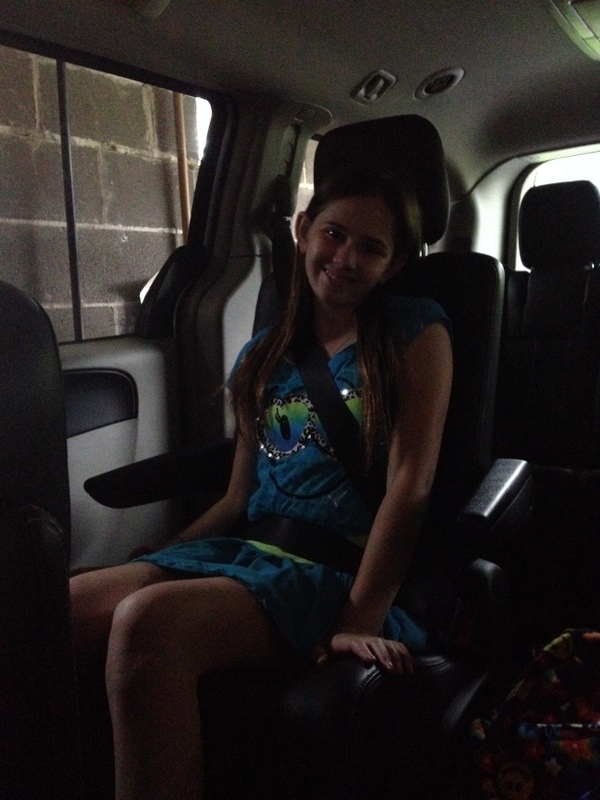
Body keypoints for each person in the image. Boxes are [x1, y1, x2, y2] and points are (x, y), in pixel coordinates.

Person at [70, 168, 453, 800]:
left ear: (396, 264)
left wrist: (358, 618)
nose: (345, 257)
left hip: (334, 570)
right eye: (334, 233)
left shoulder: (416, 332)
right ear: (303, 230)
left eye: (371, 247)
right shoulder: (262, 354)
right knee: (64, 605)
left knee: (148, 622)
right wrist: (167, 551)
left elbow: (410, 485)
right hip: (251, 550)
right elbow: (237, 496)